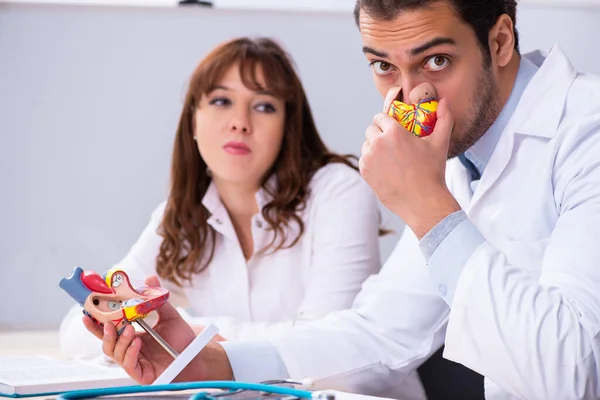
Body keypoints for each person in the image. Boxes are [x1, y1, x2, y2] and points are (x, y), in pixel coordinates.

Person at [84, 1, 600, 399]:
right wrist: (214, 361)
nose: (409, 99)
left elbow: (574, 373)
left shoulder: (587, 131)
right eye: (383, 67)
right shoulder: (461, 159)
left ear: (501, 40)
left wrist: (425, 205)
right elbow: (381, 333)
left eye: (436, 61)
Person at [61, 36, 383, 360]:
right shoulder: (180, 216)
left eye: (264, 106)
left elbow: (331, 352)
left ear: (288, 128)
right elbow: (80, 327)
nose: (240, 123)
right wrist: (190, 337)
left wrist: (189, 335)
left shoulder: (338, 193)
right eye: (220, 101)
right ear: (193, 121)